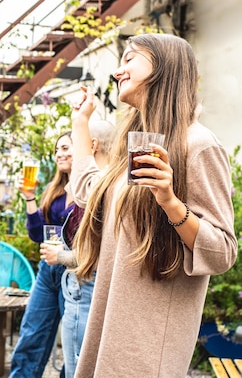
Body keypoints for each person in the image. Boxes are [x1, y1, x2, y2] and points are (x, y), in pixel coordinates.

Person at [70, 33, 237, 377]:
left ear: (162, 67)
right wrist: (80, 123)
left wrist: (170, 202)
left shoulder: (199, 145)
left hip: (147, 350)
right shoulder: (136, 148)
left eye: (129, 59)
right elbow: (88, 191)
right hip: (109, 330)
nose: (118, 71)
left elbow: (222, 252)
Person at [40, 120, 114, 378]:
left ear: (92, 146)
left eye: (76, 144)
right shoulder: (103, 185)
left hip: (84, 288)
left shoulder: (96, 191)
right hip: (86, 288)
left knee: (77, 367)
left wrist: (59, 256)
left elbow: (96, 255)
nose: (70, 153)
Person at [9, 132, 74, 378]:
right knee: (31, 334)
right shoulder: (54, 189)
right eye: (57, 150)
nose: (60, 154)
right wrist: (29, 197)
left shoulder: (90, 188)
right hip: (48, 272)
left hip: (76, 271)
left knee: (74, 341)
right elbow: (38, 234)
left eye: (66, 147)